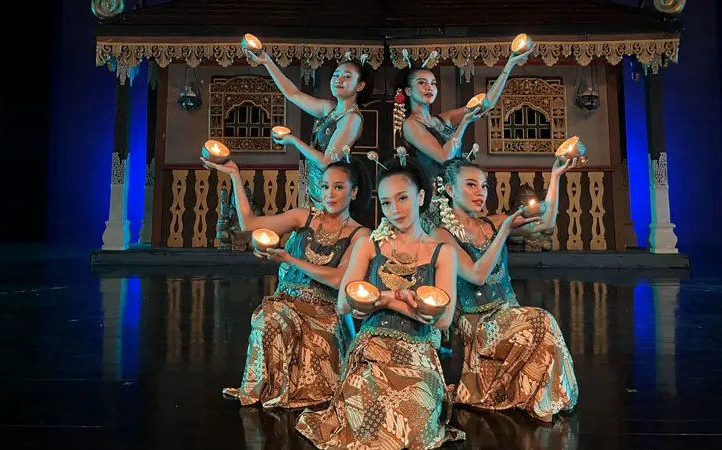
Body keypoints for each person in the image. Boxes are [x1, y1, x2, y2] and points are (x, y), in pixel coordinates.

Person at [295, 150, 465, 449]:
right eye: (386, 203)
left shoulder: (443, 252)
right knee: (369, 416)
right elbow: (344, 304)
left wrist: (383, 299)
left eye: (402, 198)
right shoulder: (369, 245)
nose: (395, 210)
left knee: (414, 422)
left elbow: (445, 318)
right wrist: (395, 300)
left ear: (421, 197)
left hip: (418, 351)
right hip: (372, 347)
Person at [200, 154, 372, 408]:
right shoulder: (304, 217)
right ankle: (269, 389)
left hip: (324, 312)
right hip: (287, 303)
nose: (330, 194)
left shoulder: (360, 234)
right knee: (267, 314)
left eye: (339, 187)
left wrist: (290, 259)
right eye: (325, 187)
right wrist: (235, 174)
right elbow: (249, 223)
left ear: (354, 192)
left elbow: (339, 280)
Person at [430, 154, 580, 422]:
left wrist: (555, 176)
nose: (480, 192)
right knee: (542, 320)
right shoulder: (441, 234)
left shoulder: (493, 222)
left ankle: (543, 401)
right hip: (476, 323)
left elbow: (545, 222)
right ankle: (543, 403)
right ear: (450, 190)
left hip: (507, 313)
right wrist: (504, 232)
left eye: (484, 186)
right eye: (471, 185)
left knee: (541, 324)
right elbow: (477, 275)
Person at [392, 48, 533, 232]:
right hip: (434, 202)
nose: (430, 88)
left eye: (433, 83)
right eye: (422, 83)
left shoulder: (443, 119)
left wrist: (509, 64)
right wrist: (464, 123)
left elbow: (484, 105)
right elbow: (445, 156)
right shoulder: (410, 125)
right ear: (408, 91)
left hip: (456, 196)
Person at [245, 49, 373, 209]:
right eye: (335, 75)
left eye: (346, 76)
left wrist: (293, 141)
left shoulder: (352, 118)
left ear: (360, 85)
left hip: (331, 193)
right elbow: (293, 94)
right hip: (314, 188)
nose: (338, 80)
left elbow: (326, 161)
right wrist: (267, 61)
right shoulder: (329, 109)